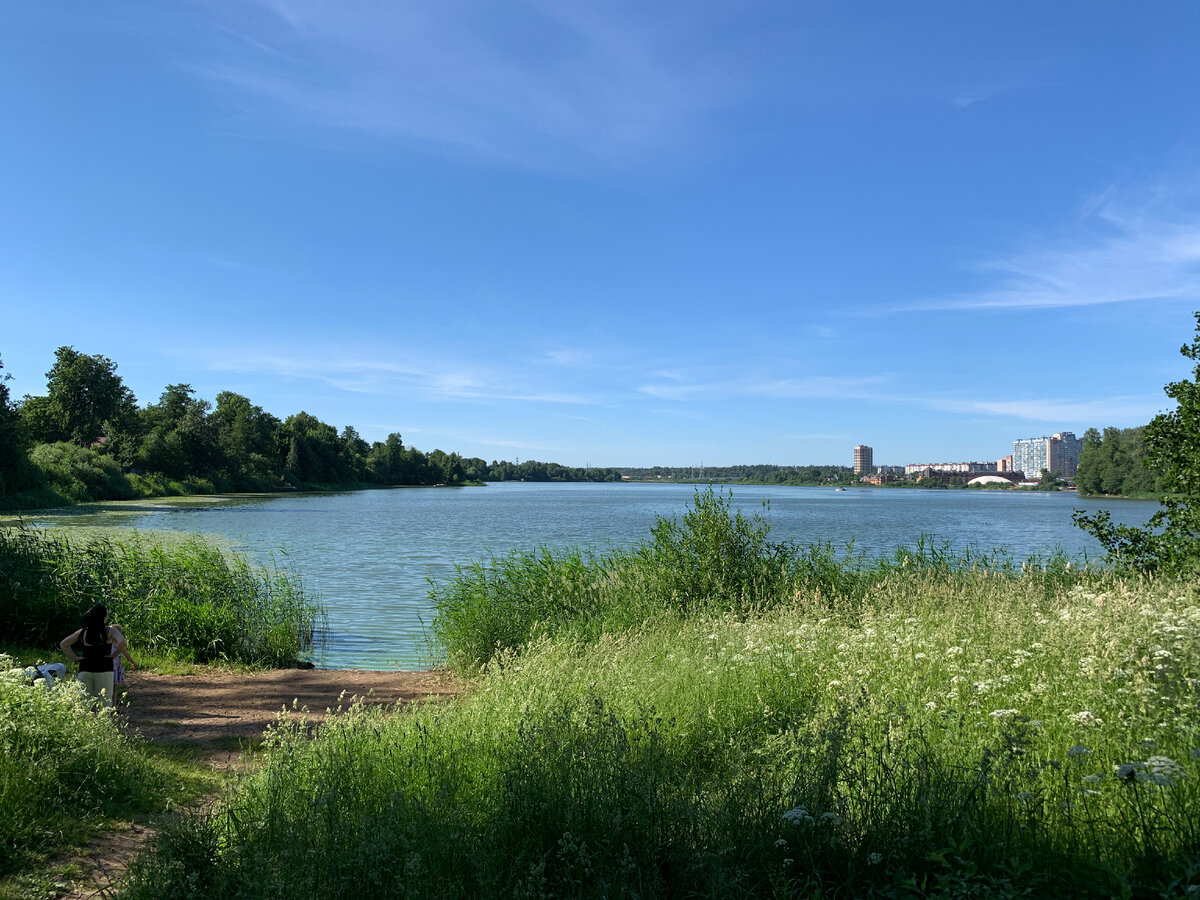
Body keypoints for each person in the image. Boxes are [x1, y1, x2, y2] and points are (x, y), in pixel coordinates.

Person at [59, 604, 126, 708]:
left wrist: (75, 658)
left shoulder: (83, 631)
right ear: (105, 618)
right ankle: (104, 724)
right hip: (104, 669)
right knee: (105, 703)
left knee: (84, 704)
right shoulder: (110, 631)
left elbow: (64, 644)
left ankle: (85, 724)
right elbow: (123, 642)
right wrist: (114, 655)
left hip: (85, 669)